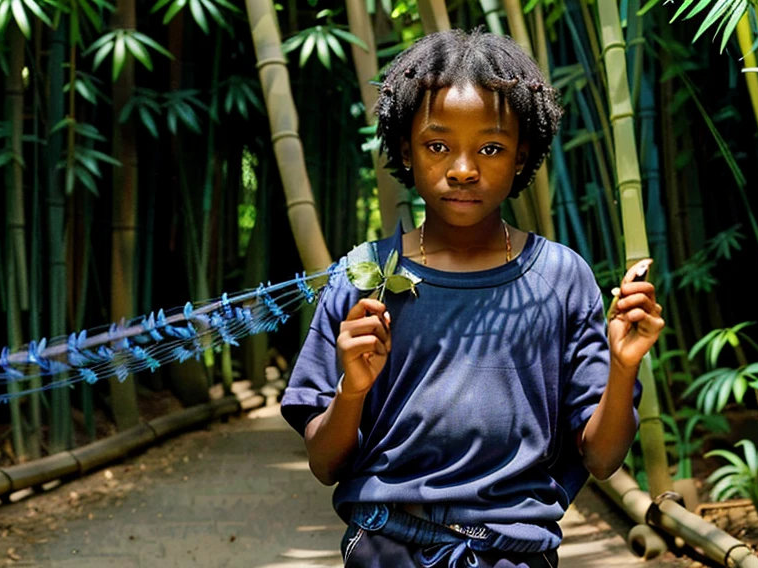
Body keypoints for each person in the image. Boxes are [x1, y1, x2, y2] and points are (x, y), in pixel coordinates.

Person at [280, 28, 664, 567]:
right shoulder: (362, 279)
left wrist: (623, 367)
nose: (463, 169)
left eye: (490, 148)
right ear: (406, 151)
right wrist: (352, 389)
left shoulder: (560, 277)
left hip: (515, 554)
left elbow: (602, 457)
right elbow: (324, 463)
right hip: (386, 548)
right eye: (438, 146)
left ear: (521, 155)